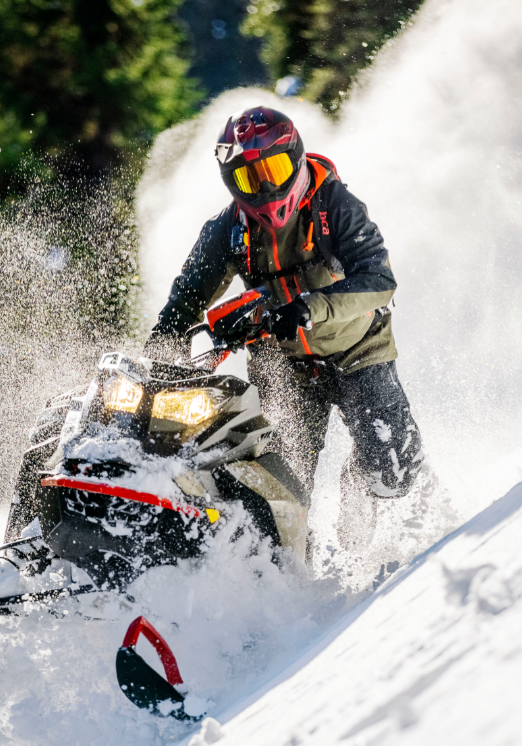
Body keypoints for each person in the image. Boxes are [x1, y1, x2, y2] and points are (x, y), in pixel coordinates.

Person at [145, 106, 439, 554]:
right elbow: (183, 301)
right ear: (232, 183)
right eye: (248, 179)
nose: (264, 187)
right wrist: (160, 352)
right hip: (283, 369)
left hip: (357, 348)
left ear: (297, 156)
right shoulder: (226, 230)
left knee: (393, 469)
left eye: (275, 169)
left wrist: (310, 307)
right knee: (276, 491)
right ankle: (291, 579)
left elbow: (379, 281)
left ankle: (360, 478)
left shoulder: (335, 204)